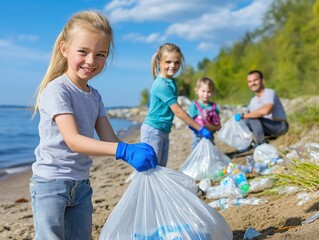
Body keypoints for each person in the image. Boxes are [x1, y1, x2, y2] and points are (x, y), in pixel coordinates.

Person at [30, 11, 158, 240]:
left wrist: (132, 148)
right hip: (50, 185)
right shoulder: (57, 90)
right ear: (64, 49)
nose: (91, 61)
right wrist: (123, 151)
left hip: (81, 185)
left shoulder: (95, 96)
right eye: (83, 51)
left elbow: (110, 140)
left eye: (100, 54)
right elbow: (74, 140)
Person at [141, 43, 211, 167]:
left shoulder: (171, 82)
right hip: (153, 130)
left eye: (176, 62)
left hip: (164, 130)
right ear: (159, 62)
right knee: (151, 168)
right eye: (168, 62)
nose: (173, 66)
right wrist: (200, 128)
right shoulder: (161, 84)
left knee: (160, 168)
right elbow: (178, 111)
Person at [235, 70, 289, 146]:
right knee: (244, 122)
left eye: (255, 80)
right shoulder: (253, 101)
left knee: (252, 119)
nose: (252, 83)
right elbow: (251, 118)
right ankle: (246, 144)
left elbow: (266, 111)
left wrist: (243, 116)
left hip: (279, 126)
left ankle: (260, 143)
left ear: (262, 80)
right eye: (250, 81)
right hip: (266, 129)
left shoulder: (269, 93)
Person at [188, 77, 221, 149]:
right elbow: (189, 122)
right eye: (203, 91)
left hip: (210, 136)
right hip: (198, 137)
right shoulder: (194, 105)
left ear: (212, 92)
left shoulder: (213, 107)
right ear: (197, 91)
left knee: (209, 154)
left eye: (209, 92)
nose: (206, 94)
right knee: (197, 155)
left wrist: (215, 127)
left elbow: (218, 124)